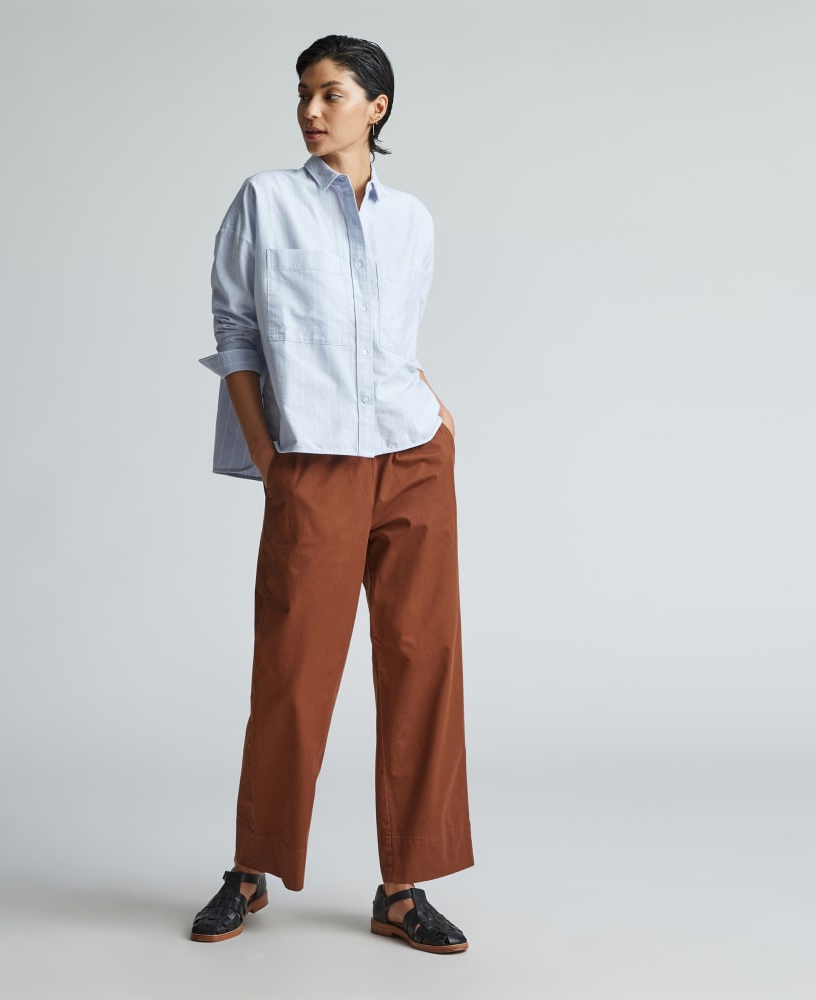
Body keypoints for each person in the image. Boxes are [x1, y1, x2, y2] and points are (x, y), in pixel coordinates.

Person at [191, 34, 473, 955]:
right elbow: (237, 333)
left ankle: (405, 887)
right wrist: (270, 457)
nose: (311, 111)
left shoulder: (413, 220)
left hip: (412, 454)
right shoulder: (265, 201)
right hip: (314, 460)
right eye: (304, 94)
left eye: (332, 94)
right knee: (293, 667)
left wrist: (435, 412)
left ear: (376, 107)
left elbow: (390, 342)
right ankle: (251, 868)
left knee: (423, 659)